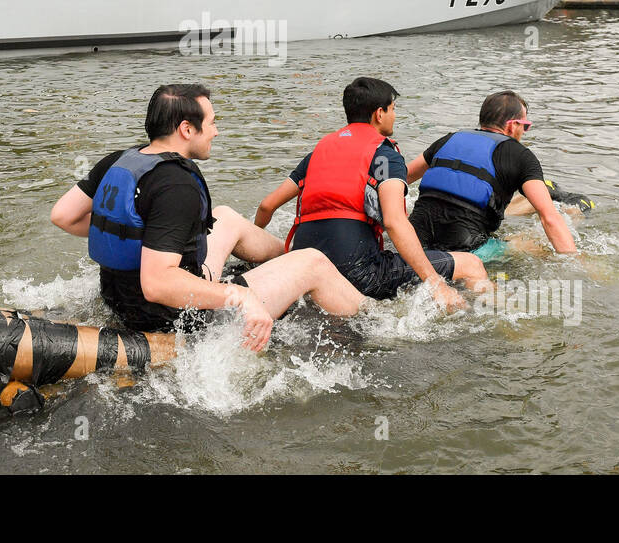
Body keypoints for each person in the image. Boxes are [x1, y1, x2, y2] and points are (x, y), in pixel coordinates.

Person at [49, 84, 366, 349]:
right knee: (313, 261)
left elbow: (64, 215)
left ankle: (286, 263)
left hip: (119, 300)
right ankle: (378, 322)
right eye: (212, 122)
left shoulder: (120, 160)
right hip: (178, 317)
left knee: (225, 217)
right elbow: (157, 284)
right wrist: (240, 296)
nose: (216, 130)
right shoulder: (176, 185)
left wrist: (141, 241)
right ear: (187, 129)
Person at [255, 77, 464, 309]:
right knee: (471, 265)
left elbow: (267, 205)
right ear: (379, 114)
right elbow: (395, 222)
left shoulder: (318, 152)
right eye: (393, 109)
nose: (394, 115)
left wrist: (256, 238)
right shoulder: (385, 156)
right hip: (358, 272)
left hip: (303, 266)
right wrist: (435, 283)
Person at [405, 91, 577, 285]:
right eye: (525, 126)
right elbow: (550, 218)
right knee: (538, 244)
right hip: (467, 252)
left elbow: (400, 179)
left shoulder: (448, 140)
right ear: (513, 126)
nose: (524, 132)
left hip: (412, 246)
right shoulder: (521, 156)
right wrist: (576, 263)